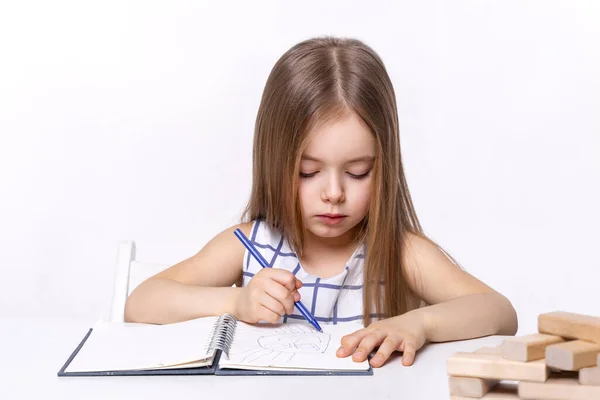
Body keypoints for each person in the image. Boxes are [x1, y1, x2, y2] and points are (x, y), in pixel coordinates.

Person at [124, 36, 518, 368]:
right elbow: (141, 303)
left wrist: (419, 325)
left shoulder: (395, 251)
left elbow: (499, 312)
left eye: (358, 171)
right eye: (308, 172)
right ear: (274, 161)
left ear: (385, 167)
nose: (333, 192)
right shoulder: (248, 244)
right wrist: (236, 300)